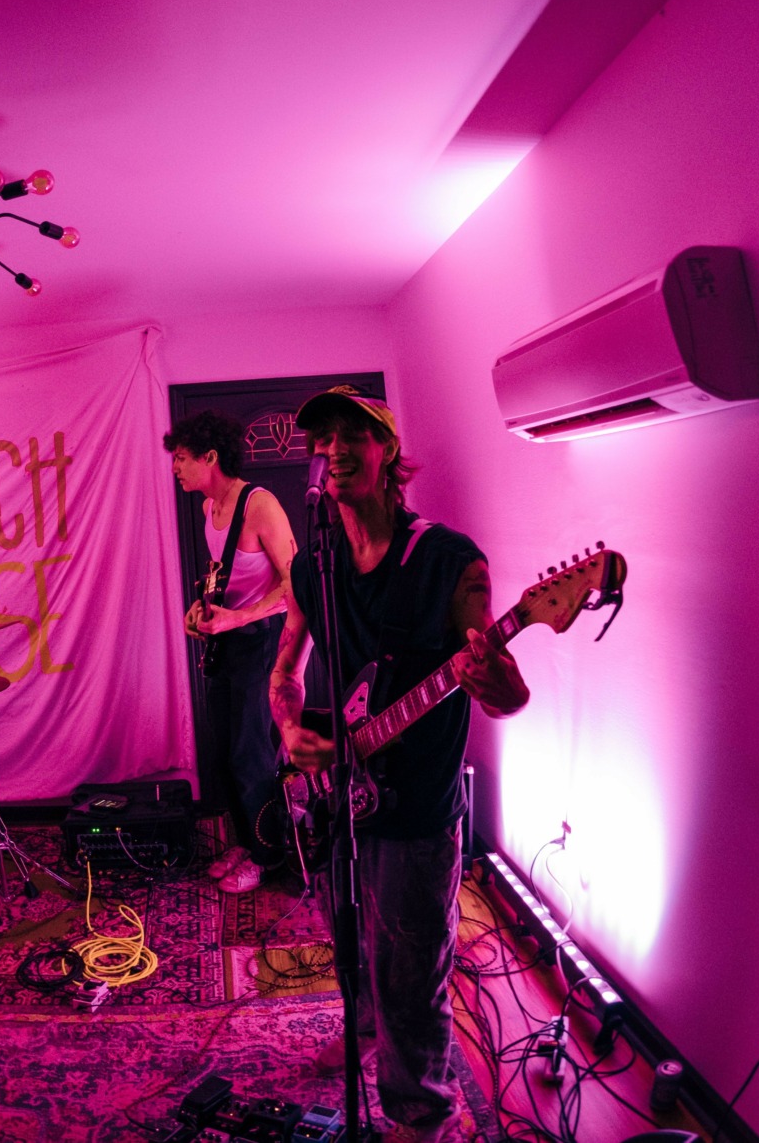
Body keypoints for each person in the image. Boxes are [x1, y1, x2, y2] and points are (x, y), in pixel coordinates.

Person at [269, 387, 528, 1134]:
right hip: (336, 794)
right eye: (322, 439)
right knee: (349, 939)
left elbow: (508, 695)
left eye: (353, 435)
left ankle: (420, 1112)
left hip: (416, 809)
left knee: (412, 970)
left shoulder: (449, 561)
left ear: (388, 452)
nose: (334, 449)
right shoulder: (313, 565)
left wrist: (496, 681)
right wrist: (289, 728)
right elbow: (284, 673)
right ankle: (366, 1032)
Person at [165, 410, 297, 893]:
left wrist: (238, 619)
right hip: (231, 642)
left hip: (262, 640)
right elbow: (226, 577)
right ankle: (248, 840)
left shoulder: (260, 506)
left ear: (210, 457)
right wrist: (202, 609)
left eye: (182, 458)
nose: (175, 468)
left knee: (250, 752)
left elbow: (295, 586)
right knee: (224, 750)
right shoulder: (209, 509)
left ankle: (269, 856)